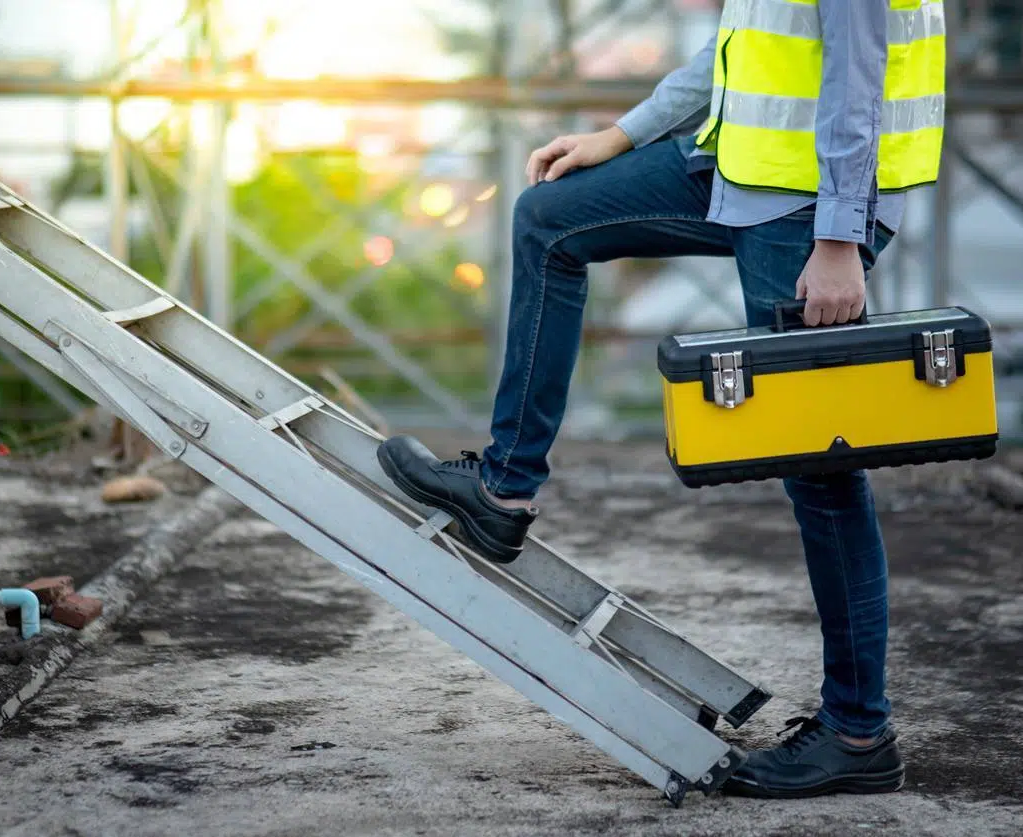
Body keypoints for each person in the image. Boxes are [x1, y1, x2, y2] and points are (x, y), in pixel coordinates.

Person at [377, 0, 944, 799]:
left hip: (806, 210)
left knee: (820, 466)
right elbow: (740, 49)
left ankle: (858, 730)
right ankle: (504, 487)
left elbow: (860, 81)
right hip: (734, 172)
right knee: (548, 221)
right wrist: (621, 135)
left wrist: (840, 239)